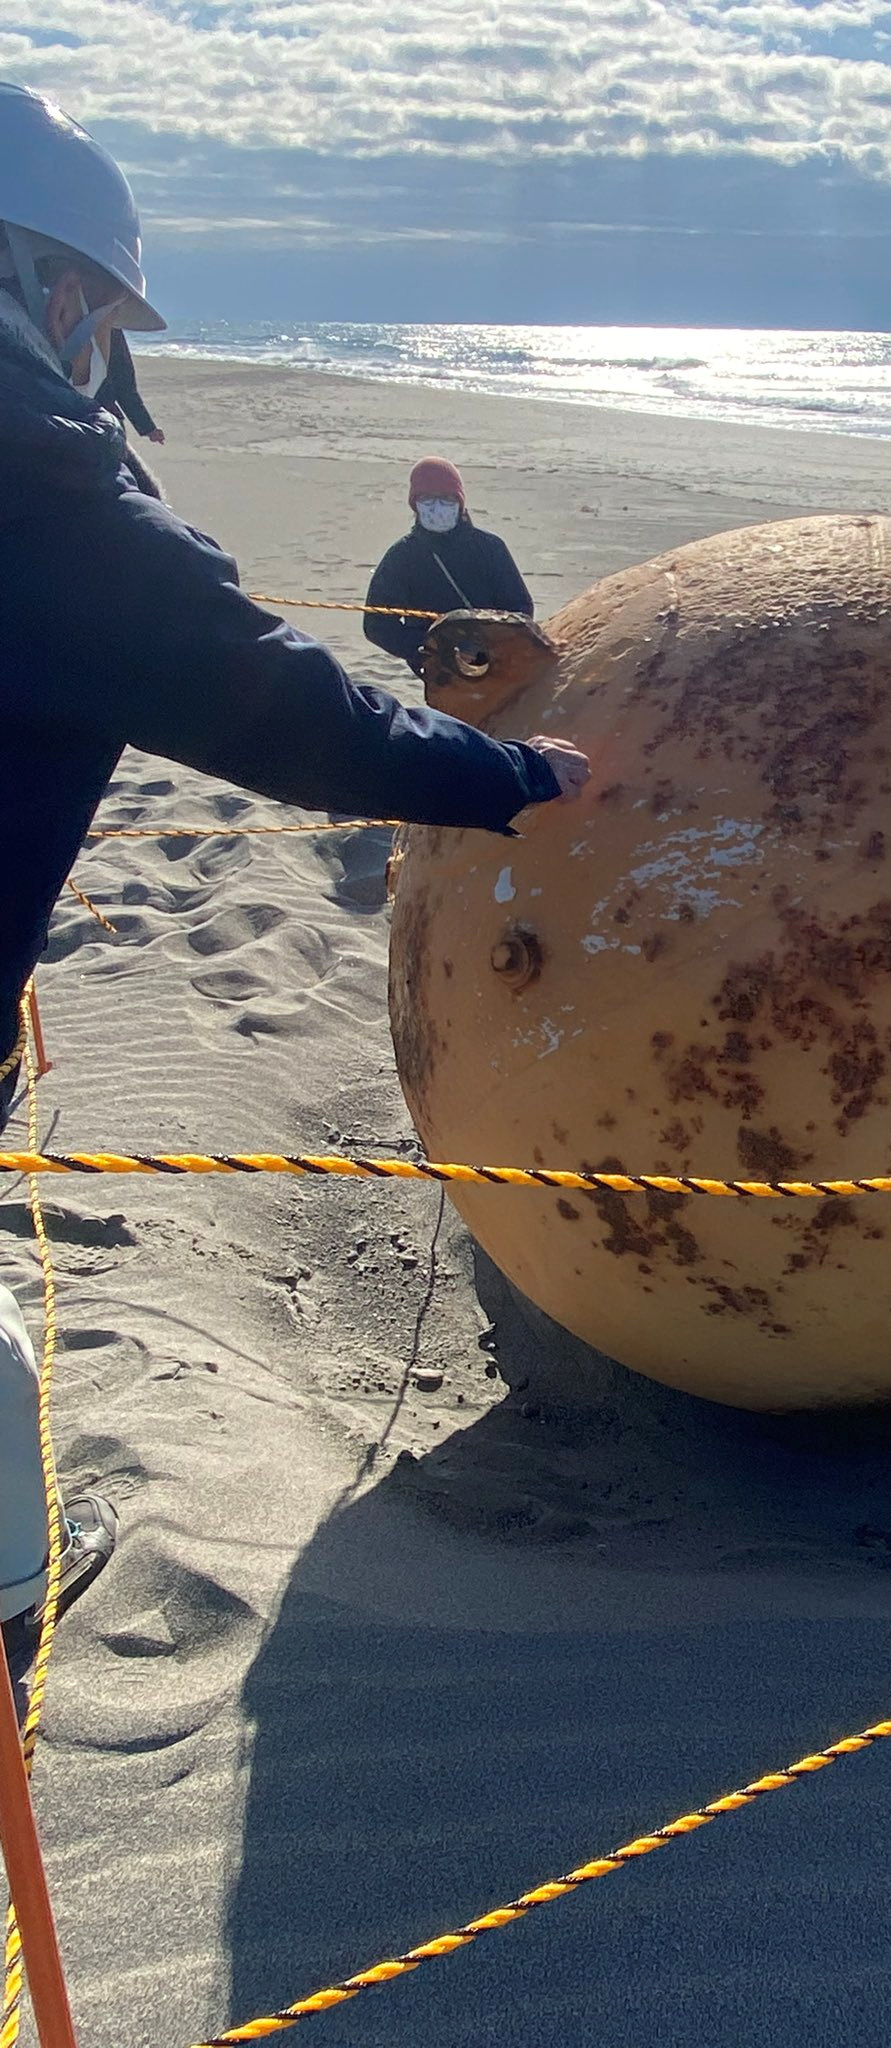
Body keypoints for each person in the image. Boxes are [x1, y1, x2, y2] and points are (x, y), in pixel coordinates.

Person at [0, 81, 590, 1717]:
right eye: (97, 316)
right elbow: (269, 700)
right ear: (56, 288)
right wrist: (517, 778)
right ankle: (12, 1589)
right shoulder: (29, 465)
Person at [364, 459, 533, 676]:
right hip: (442, 675)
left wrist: (486, 646)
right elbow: (376, 624)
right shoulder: (402, 556)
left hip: (497, 664)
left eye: (446, 498)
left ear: (460, 502)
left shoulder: (490, 548)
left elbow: (520, 608)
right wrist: (435, 650)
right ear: (415, 504)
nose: (437, 506)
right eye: (427, 498)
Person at [97, 326, 164, 444]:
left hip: (68, 416)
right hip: (100, 418)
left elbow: (124, 384)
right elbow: (124, 384)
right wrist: (148, 427)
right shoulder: (110, 329)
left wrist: (147, 427)